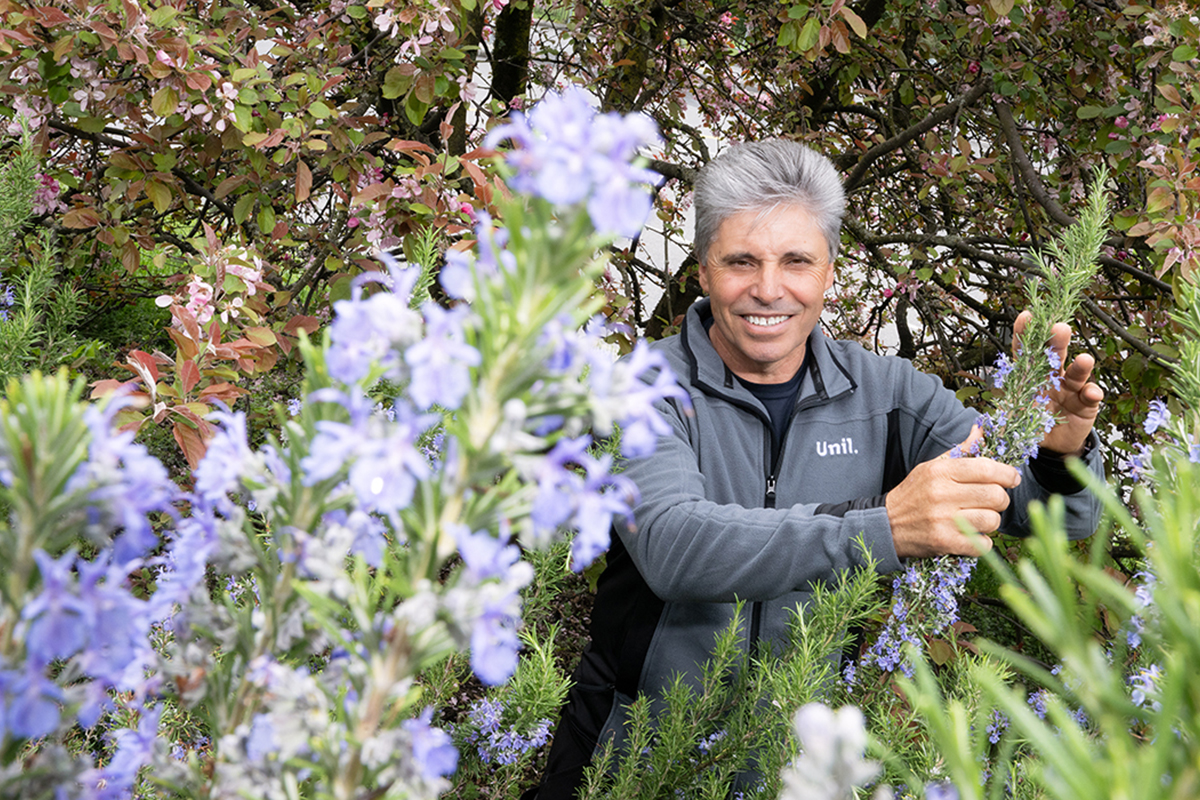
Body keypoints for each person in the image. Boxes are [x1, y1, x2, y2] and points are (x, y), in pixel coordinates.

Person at [529, 138, 1105, 796]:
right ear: (704, 271)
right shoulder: (642, 388)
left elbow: (1050, 515)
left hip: (789, 763)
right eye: (741, 261)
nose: (768, 289)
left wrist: (1057, 453)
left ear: (830, 271)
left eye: (796, 261)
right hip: (627, 759)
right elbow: (673, 545)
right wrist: (882, 528)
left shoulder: (888, 394)